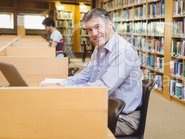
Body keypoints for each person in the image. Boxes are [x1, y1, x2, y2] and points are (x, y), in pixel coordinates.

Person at [40, 8, 143, 136]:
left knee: (66, 124)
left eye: (97, 27)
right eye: (89, 30)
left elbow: (104, 87)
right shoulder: (99, 47)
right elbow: (86, 74)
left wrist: (65, 90)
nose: (94, 33)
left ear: (110, 24)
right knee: (57, 112)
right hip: (102, 107)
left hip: (122, 117)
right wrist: (61, 85)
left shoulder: (123, 50)